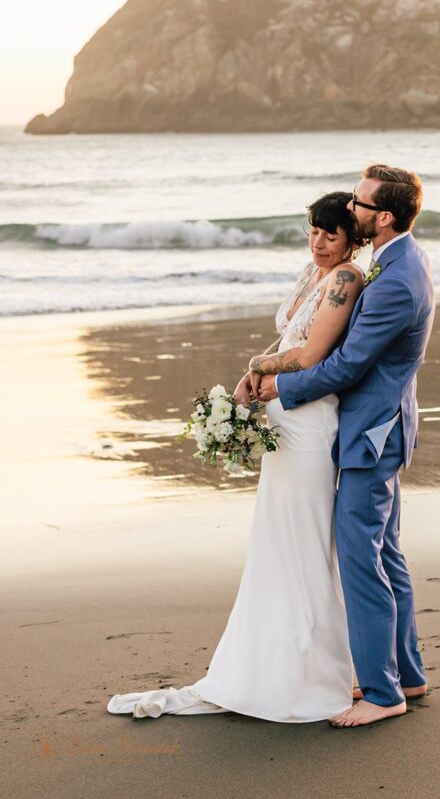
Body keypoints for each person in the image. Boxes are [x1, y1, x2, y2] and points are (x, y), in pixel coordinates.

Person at [107, 191, 366, 722]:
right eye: (312, 231)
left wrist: (255, 365)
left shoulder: (347, 280)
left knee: (307, 542)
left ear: (352, 240)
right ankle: (273, 664)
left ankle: (316, 673)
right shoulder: (311, 271)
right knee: (275, 543)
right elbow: (291, 336)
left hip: (312, 422)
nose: (318, 242)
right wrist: (251, 389)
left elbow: (313, 353)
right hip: (283, 415)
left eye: (330, 235)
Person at [257, 163, 435, 728]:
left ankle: (383, 694)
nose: (350, 211)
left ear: (383, 216)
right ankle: (407, 673)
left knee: (362, 560)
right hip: (382, 426)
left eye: (359, 204)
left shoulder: (396, 279)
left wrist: (276, 387)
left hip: (370, 434)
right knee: (385, 554)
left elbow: (348, 364)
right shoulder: (400, 260)